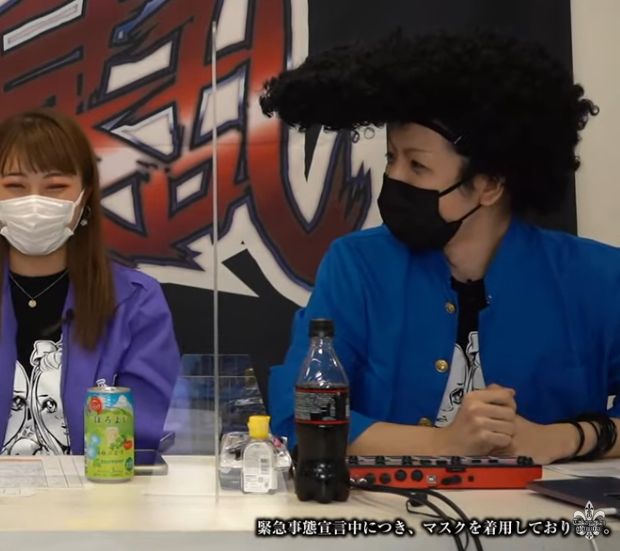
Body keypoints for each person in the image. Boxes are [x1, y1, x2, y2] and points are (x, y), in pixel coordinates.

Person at [261, 32, 619, 465]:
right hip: (388, 509)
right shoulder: (357, 266)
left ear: (488, 185)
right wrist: (445, 444)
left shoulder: (596, 277)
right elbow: (300, 413)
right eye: (391, 158)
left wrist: (566, 438)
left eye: (417, 165)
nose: (395, 178)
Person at [0, 109, 181, 455]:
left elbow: (138, 440)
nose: (35, 202)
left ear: (85, 195)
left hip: (98, 489)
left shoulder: (135, 301)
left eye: (56, 187)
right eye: (15, 186)